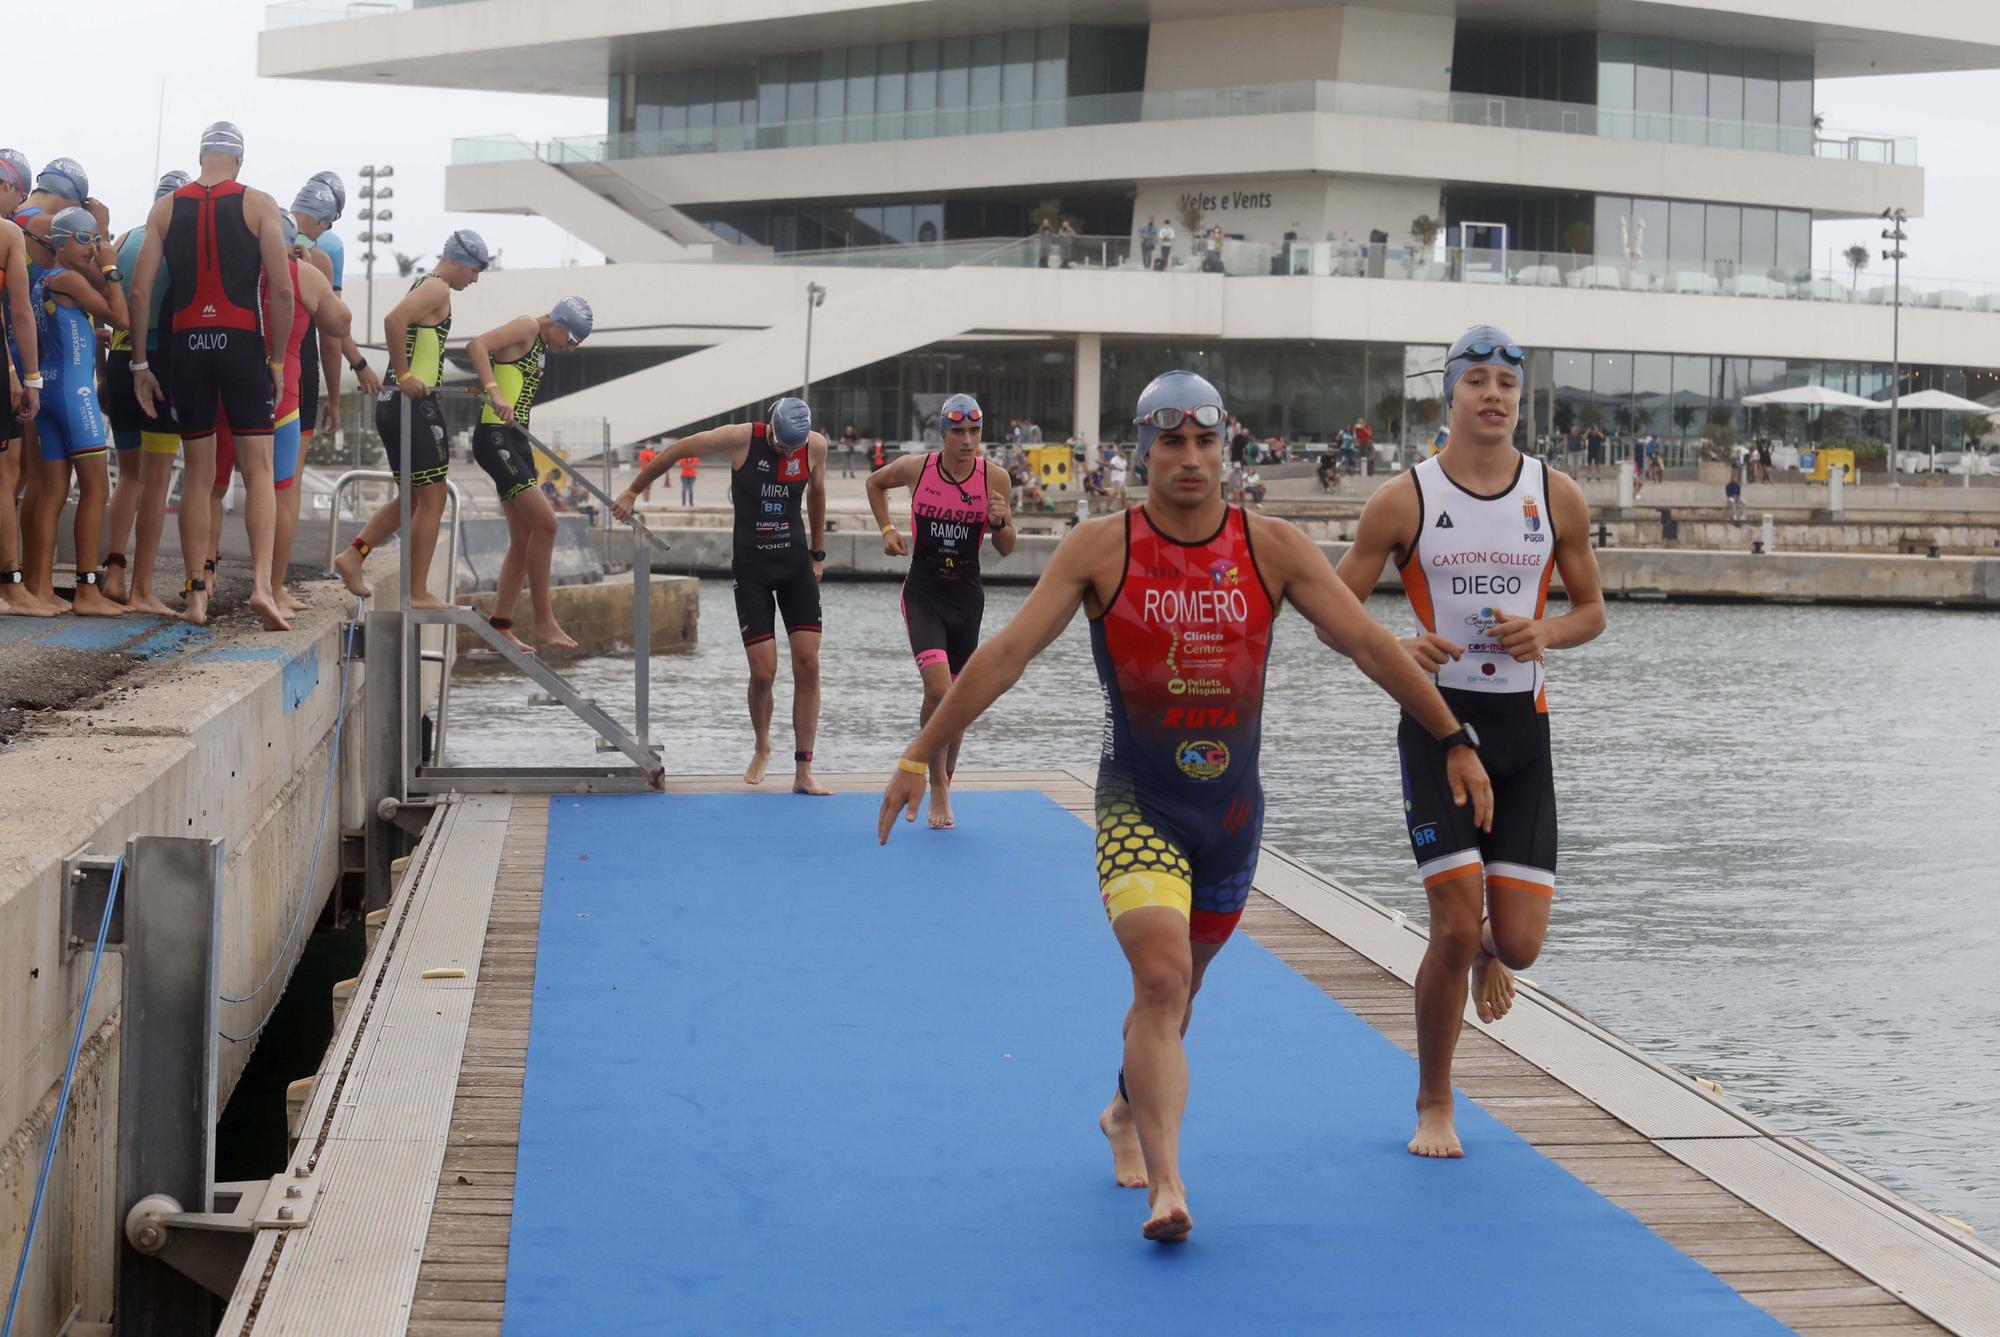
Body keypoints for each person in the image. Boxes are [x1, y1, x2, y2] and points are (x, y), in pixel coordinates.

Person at [877, 370, 1489, 1242]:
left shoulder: (1272, 548)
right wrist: (919, 750)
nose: (1191, 459)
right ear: (1143, 452)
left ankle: (1126, 1109)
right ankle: (1169, 1185)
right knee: (1159, 978)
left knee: (1179, 995)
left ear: (1226, 449)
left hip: (1232, 819)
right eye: (1173, 442)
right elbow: (1007, 652)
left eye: (1206, 442)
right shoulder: (1100, 547)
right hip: (1139, 804)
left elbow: (1367, 643)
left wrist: (1453, 737)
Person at [1331, 324, 1606, 1159]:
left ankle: (1492, 940)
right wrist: (1399, 645)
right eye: (1477, 380)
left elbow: (1592, 612)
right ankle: (1435, 1102)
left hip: (1523, 732)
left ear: (1521, 398)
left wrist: (1546, 635)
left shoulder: (1555, 495)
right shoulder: (1404, 498)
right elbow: (1333, 614)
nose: (1493, 396)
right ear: (1448, 393)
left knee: (1514, 942)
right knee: (1450, 927)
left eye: (1507, 384)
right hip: (1434, 722)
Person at [614, 398, 830, 794]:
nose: (786, 453)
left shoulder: (814, 445)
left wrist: (818, 552)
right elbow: (678, 450)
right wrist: (632, 491)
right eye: (781, 446)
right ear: (771, 429)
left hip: (796, 566)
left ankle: (803, 770)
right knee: (764, 673)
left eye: (791, 449)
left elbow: (816, 495)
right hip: (752, 571)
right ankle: (762, 744)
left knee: (809, 665)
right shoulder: (740, 439)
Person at [130, 123, 295, 630]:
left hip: (187, 346)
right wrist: (276, 360)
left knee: (198, 475)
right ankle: (263, 588)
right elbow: (283, 292)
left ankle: (195, 596)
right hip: (242, 341)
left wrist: (140, 365)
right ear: (238, 161)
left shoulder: (164, 208)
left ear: (200, 156)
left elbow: (139, 294)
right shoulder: (260, 203)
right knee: (259, 470)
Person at [867, 392, 1015, 828]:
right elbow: (875, 484)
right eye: (958, 432)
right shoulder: (919, 468)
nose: (968, 441)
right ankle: (938, 786)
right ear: (943, 434)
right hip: (925, 593)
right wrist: (888, 529)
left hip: (967, 597)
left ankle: (944, 776)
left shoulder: (996, 478)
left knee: (959, 697)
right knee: (938, 690)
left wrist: (1004, 522)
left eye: (975, 432)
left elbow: (1007, 550)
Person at [330, 229, 489, 605]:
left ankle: (353, 555)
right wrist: (403, 375)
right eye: (475, 269)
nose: (476, 278)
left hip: (399, 405)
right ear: (458, 260)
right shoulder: (437, 288)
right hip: (411, 405)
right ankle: (417, 591)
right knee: (433, 501)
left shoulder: (427, 285)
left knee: (413, 501)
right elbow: (393, 320)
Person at [210, 209, 350, 617]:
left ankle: (200, 584)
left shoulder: (235, 270)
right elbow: (340, 324)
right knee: (277, 492)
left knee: (211, 489)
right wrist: (323, 283)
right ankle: (269, 587)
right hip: (281, 393)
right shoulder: (300, 273)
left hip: (227, 389)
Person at [464, 295, 594, 654]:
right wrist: (493, 391)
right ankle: (542, 620)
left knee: (523, 536)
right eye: (571, 341)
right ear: (560, 325)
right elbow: (477, 345)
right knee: (547, 524)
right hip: (495, 436)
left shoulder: (541, 344)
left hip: (516, 440)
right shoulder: (527, 327)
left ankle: (501, 625)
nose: (570, 349)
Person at [23, 207, 127, 616]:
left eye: (97, 238)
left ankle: (40, 586)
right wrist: (111, 267)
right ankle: (87, 590)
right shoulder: (68, 279)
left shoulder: (44, 281)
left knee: (51, 492)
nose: (93, 247)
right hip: (73, 393)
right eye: (84, 239)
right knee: (96, 489)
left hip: (48, 388)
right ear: (60, 243)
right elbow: (120, 317)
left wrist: (87, 329)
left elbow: (64, 327)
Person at [99, 170, 189, 613]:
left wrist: (103, 375)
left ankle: (114, 572)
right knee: (157, 480)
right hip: (157, 365)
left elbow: (106, 305)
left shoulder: (125, 240)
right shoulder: (178, 245)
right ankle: (142, 589)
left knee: (128, 474)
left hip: (117, 359)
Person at [0, 149, 45, 615]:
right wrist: (27, 375)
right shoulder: (8, 232)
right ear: (13, 187)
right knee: (5, 475)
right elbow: (20, 312)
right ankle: (10, 587)